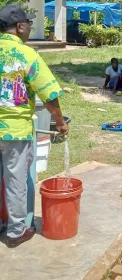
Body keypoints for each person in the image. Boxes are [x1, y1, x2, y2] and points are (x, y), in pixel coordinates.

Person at [0, 4, 68, 248]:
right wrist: (59, 122)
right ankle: (17, 231)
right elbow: (49, 94)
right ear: (20, 27)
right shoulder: (26, 54)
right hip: (13, 130)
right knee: (16, 180)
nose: (29, 27)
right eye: (28, 23)